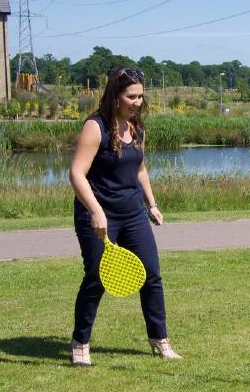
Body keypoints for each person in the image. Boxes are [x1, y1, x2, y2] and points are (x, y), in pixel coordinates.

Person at [68, 67, 180, 366]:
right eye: (131, 96)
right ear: (115, 96)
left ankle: (160, 339)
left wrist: (152, 204)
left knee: (151, 275)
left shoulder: (136, 127)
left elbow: (139, 169)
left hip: (132, 213)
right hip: (99, 214)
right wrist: (95, 211)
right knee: (96, 279)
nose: (137, 102)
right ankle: (80, 342)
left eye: (141, 96)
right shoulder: (96, 127)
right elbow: (76, 174)